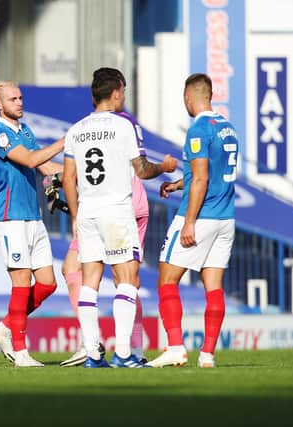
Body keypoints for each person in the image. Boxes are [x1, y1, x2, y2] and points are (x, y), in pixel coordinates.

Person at [62, 67, 177, 368]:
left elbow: (68, 177)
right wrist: (163, 167)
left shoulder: (76, 130)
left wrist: (75, 215)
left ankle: (92, 354)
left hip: (87, 212)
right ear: (116, 92)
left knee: (90, 283)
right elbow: (141, 170)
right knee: (127, 280)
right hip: (115, 211)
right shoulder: (123, 126)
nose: (123, 97)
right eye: (123, 91)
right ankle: (124, 353)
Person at [148, 73, 238, 369]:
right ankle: (208, 356)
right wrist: (177, 184)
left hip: (202, 217)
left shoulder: (198, 130)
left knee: (166, 278)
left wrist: (189, 222)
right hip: (225, 218)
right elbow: (205, 175)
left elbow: (201, 178)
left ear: (190, 97)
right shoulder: (228, 129)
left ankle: (175, 347)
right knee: (213, 286)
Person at [0, 81, 65, 368]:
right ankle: (20, 353)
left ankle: (6, 327)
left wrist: (76, 172)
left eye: (20, 97)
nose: (19, 102)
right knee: (22, 284)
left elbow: (46, 167)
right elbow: (31, 160)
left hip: (33, 216)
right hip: (10, 218)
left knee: (47, 284)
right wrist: (66, 140)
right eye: (13, 99)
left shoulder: (24, 131)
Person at [50, 170, 148, 366]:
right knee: (73, 268)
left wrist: (55, 179)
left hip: (120, 207)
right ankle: (94, 344)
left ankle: (128, 348)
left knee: (125, 280)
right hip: (99, 208)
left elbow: (75, 169)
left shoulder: (104, 139)